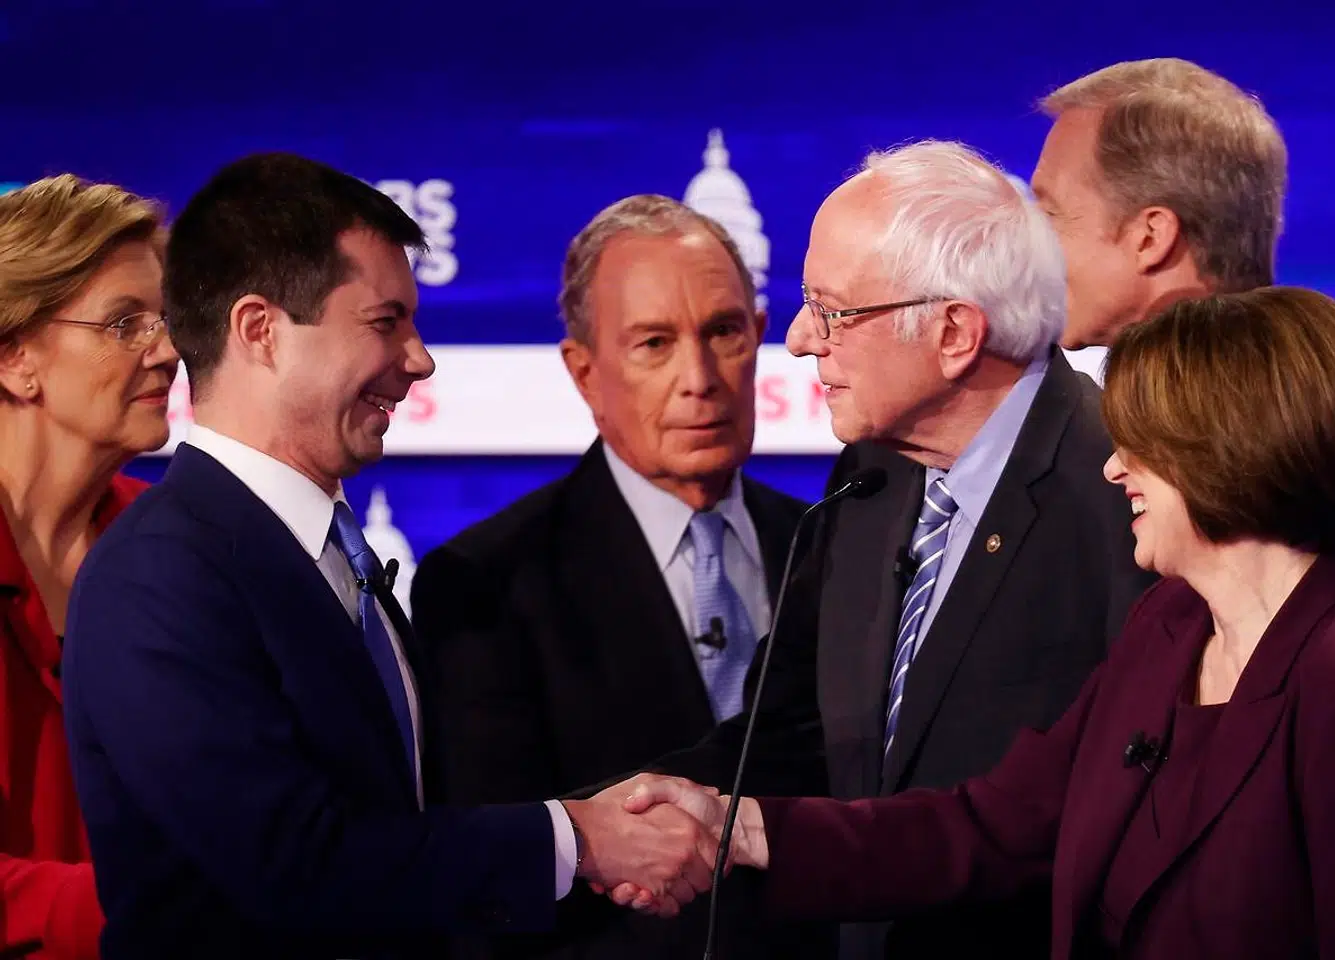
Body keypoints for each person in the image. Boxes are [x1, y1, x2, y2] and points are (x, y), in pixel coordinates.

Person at [636, 286, 1335, 959]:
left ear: (1230, 450)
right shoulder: (1170, 626)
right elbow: (996, 826)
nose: (1115, 466)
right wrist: (741, 829)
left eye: (1147, 444)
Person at [61, 153, 717, 960]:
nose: (420, 358)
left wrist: (594, 834)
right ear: (260, 331)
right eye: (385, 321)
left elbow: (408, 828)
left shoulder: (328, 553)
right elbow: (292, 863)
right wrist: (577, 840)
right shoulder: (160, 574)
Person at [626, 140, 1156, 960]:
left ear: (953, 333)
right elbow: (797, 729)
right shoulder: (872, 477)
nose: (801, 340)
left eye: (832, 311)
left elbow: (1111, 810)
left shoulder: (1128, 497)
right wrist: (612, 819)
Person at [410, 194, 822, 960]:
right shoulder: (485, 583)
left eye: (724, 333)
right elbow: (494, 874)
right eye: (654, 344)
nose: (699, 377)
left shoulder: (830, 546)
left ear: (761, 339)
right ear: (585, 371)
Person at [1030, 56, 1335, 667]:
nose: (1032, 248)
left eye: (1051, 213)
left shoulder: (1281, 440)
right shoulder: (1225, 423)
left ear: (1150, 235)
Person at [0, 175, 178, 960]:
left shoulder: (177, 550)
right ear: (16, 359)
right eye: (124, 323)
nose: (168, 351)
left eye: (164, 321)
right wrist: (153, 912)